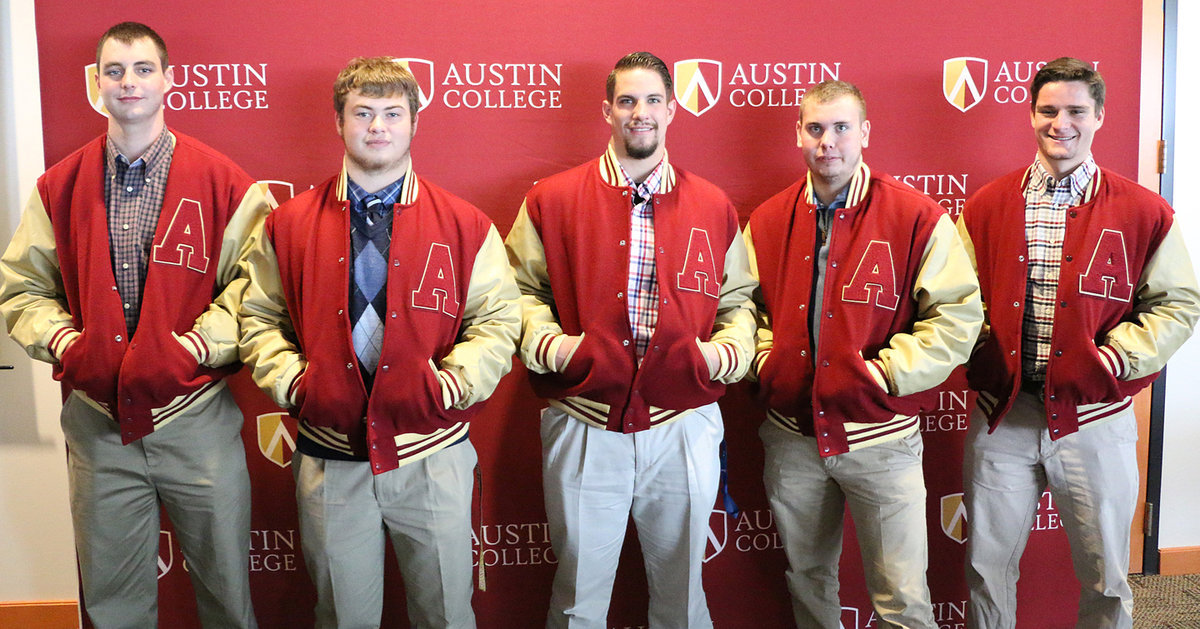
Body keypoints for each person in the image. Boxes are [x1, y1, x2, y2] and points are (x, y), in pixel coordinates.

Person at [0, 22, 267, 628]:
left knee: (228, 597)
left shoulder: (225, 183)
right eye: (115, 71)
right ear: (97, 84)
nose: (129, 83)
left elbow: (258, 289)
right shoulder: (59, 186)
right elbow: (22, 288)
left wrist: (200, 344)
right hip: (98, 427)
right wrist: (68, 340)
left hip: (196, 420)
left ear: (168, 80)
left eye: (143, 69)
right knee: (113, 603)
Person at [238, 56, 520, 629]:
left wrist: (451, 384)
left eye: (393, 113)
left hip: (433, 455)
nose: (377, 127)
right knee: (343, 617)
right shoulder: (286, 223)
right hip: (331, 458)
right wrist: (293, 381)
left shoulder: (465, 225)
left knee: (446, 615)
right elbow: (257, 316)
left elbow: (496, 321)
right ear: (338, 122)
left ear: (415, 122)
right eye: (362, 113)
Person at [504, 51, 757, 628]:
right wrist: (558, 350)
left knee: (684, 597)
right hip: (586, 418)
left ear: (672, 109)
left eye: (651, 101)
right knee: (577, 598)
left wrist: (722, 356)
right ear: (607, 110)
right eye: (626, 101)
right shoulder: (552, 199)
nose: (639, 113)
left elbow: (739, 301)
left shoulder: (713, 204)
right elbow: (517, 291)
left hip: (684, 424)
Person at [958, 57, 1200, 629]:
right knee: (987, 569)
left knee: (1108, 577)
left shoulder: (1145, 211)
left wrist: (1113, 360)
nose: (1059, 123)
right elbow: (955, 305)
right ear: (1031, 114)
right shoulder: (987, 206)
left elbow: (1178, 305)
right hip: (1003, 416)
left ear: (1099, 117)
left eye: (1074, 111)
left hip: (1097, 418)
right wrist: (976, 350)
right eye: (1047, 110)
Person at [744, 79, 982, 628]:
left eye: (842, 128)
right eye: (816, 128)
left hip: (882, 438)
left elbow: (958, 316)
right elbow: (741, 310)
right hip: (792, 436)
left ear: (865, 133)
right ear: (798, 134)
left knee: (901, 594)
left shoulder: (916, 216)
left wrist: (883, 373)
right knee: (808, 580)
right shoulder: (767, 219)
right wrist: (765, 360)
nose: (829, 141)